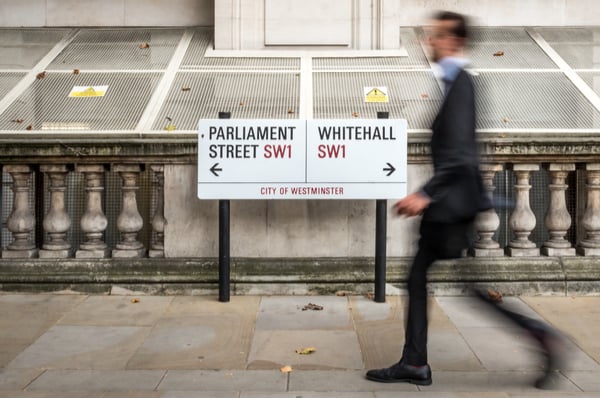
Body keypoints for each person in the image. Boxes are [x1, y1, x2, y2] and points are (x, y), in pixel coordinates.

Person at [365, 10, 565, 389]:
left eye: (436, 36)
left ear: (454, 41)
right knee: (431, 280)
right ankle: (416, 361)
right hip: (454, 205)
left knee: (438, 282)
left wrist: (424, 194)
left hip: (450, 208)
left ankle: (419, 362)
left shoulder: (461, 85)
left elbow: (458, 155)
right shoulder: (455, 83)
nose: (429, 42)